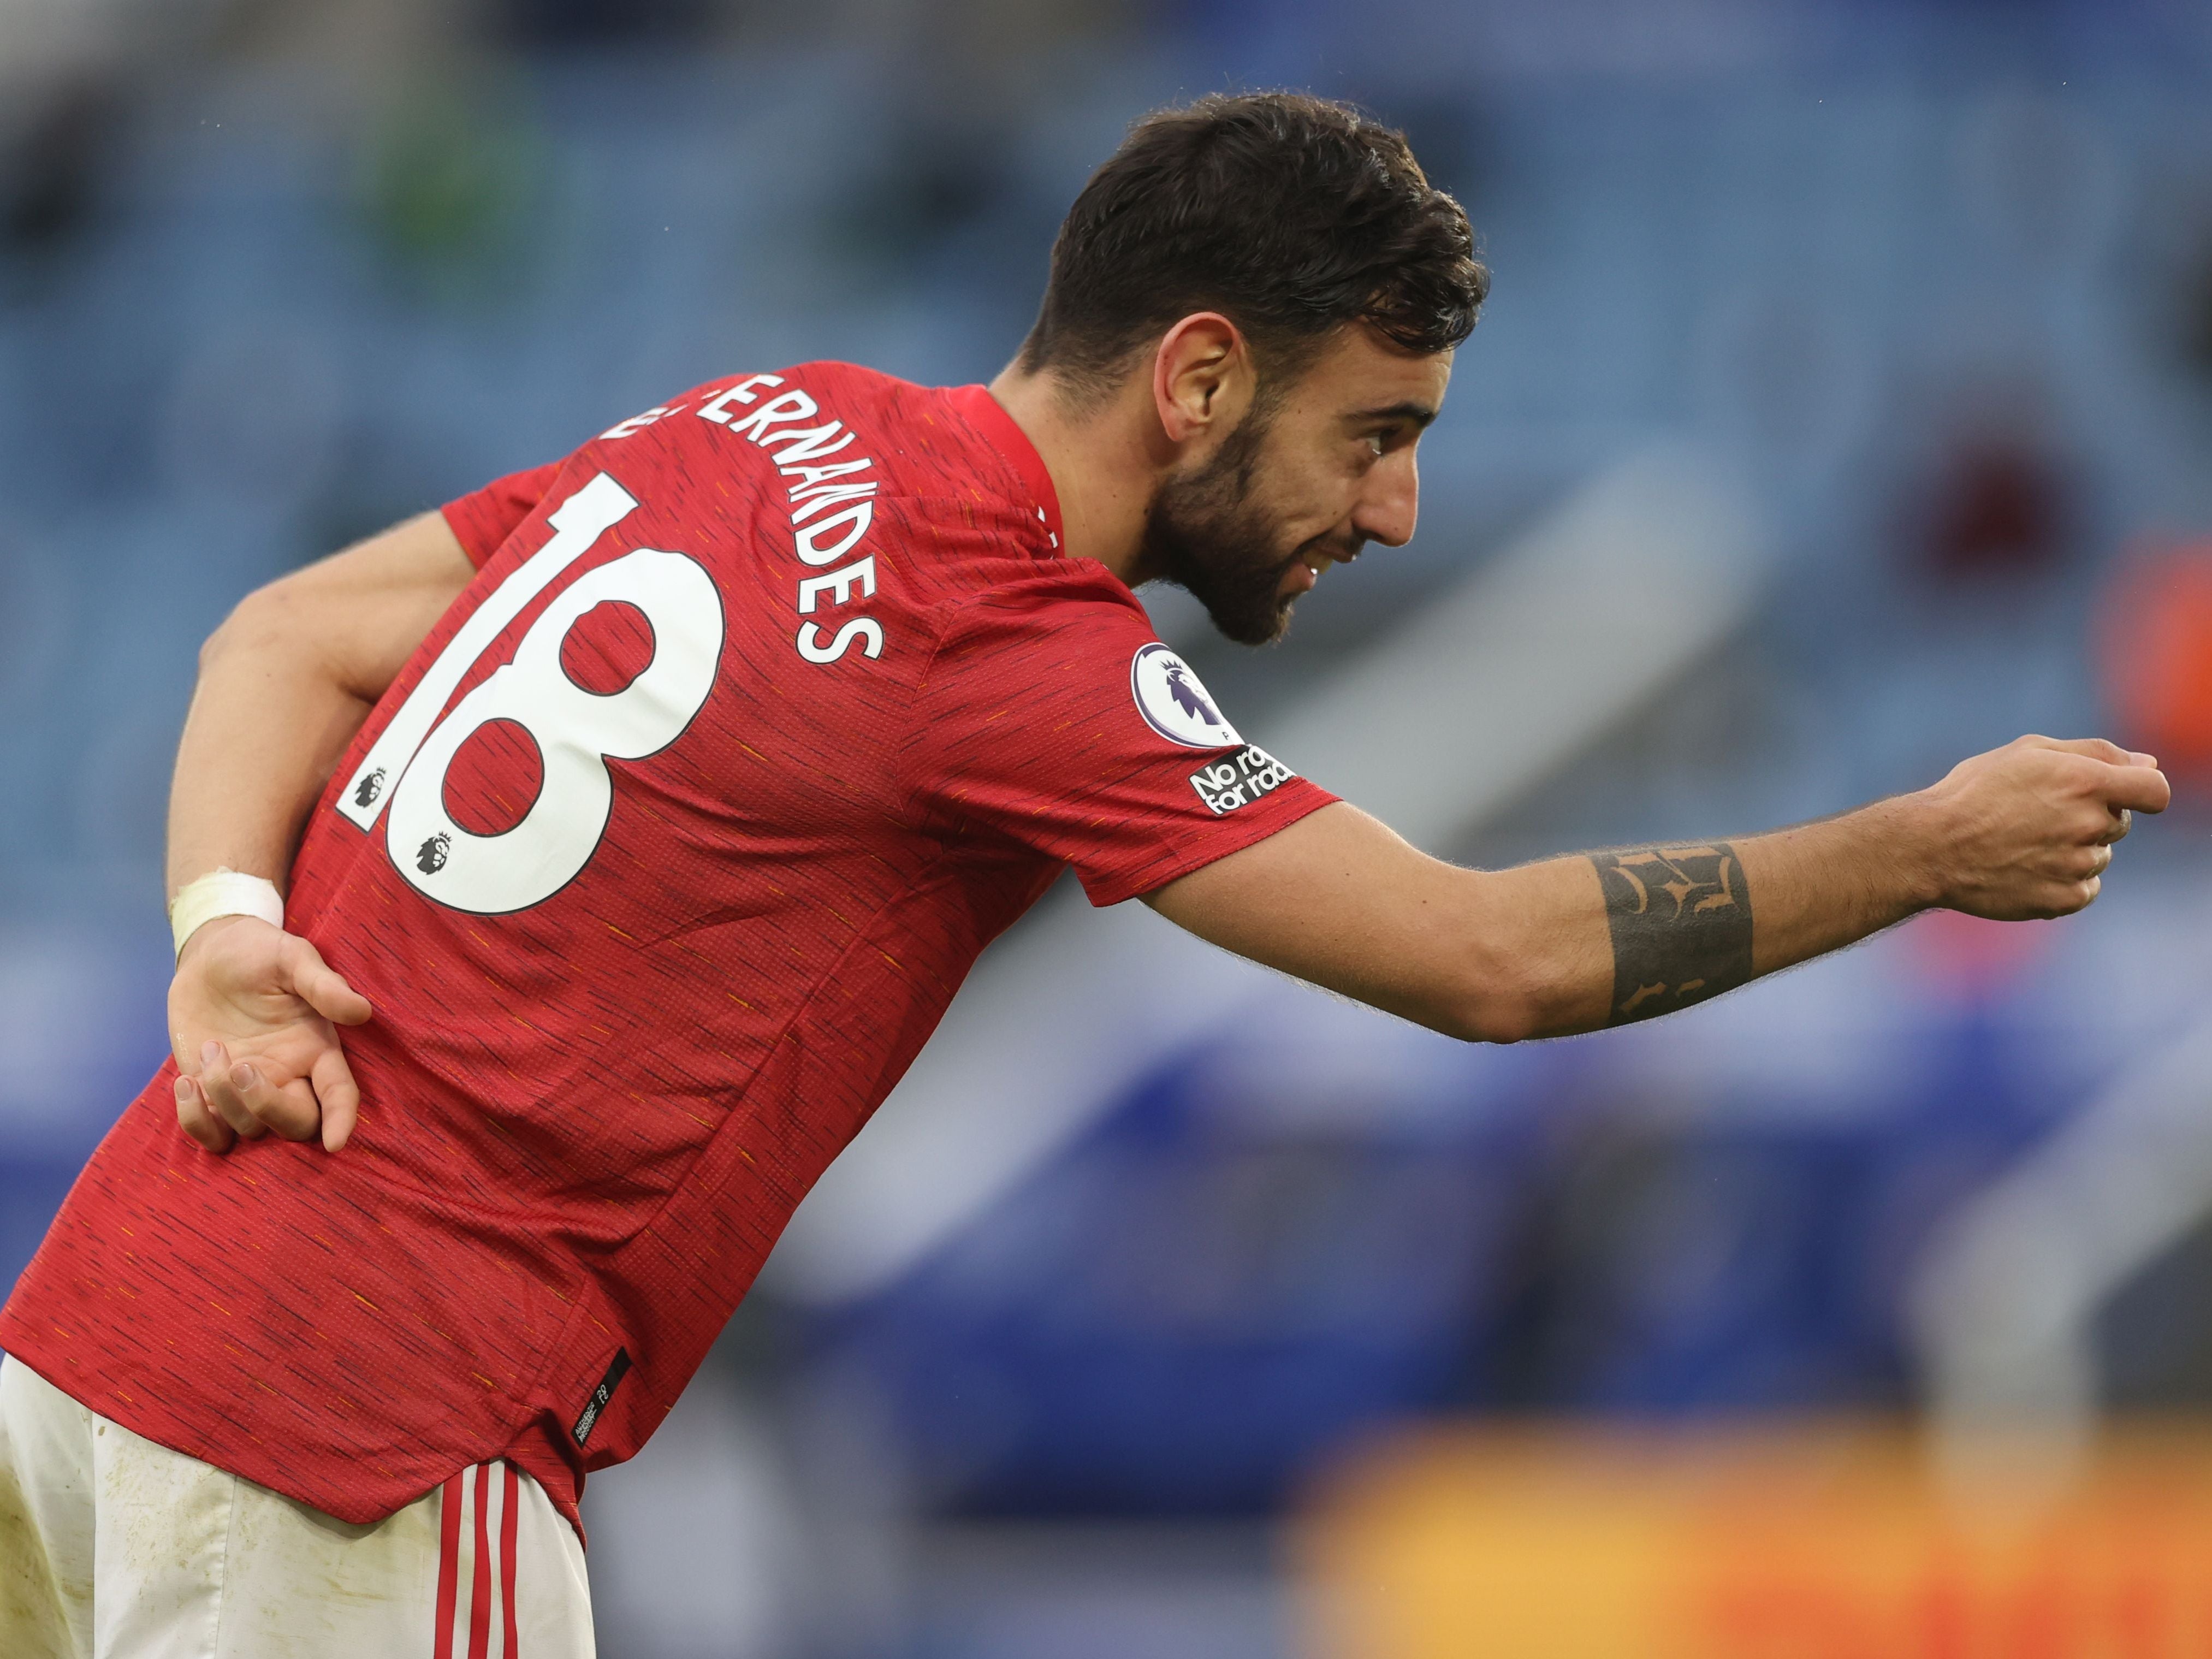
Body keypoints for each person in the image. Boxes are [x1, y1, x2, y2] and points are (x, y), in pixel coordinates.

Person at [0, 90, 2165, 1655]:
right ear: (1200, 375)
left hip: (91, 1346)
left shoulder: (766, 419)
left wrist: (224, 934)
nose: (1395, 508)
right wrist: (1913, 846)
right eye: (1373, 429)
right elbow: (1487, 959)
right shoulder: (1011, 647)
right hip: (356, 1446)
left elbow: (272, 633)